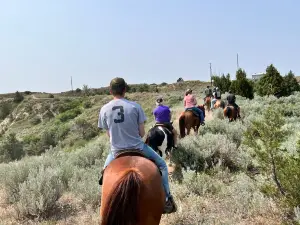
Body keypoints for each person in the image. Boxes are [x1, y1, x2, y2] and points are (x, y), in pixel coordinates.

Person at [98, 77, 177, 214]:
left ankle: (104, 206)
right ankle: (167, 199)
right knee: (163, 165)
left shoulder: (104, 109)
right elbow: (141, 133)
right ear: (125, 89)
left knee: (104, 175)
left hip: (116, 152)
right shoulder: (135, 107)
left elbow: (109, 134)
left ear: (111, 91)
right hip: (138, 148)